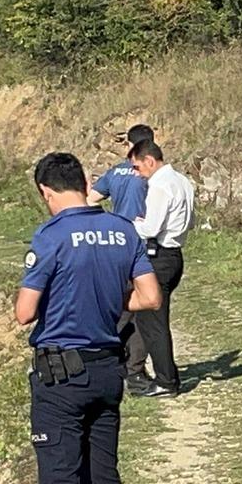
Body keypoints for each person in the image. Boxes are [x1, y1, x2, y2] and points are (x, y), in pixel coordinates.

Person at [15, 152, 162, 484]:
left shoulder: (51, 236)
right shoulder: (122, 231)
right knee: (103, 473)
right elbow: (150, 298)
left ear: (46, 192)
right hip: (106, 370)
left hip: (60, 377)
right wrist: (109, 303)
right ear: (84, 182)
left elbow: (25, 312)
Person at [87, 123, 156, 392]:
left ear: (129, 145)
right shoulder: (150, 173)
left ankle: (110, 361)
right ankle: (134, 370)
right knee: (139, 313)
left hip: (115, 246)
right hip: (143, 246)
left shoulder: (115, 172)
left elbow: (91, 199)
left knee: (118, 305)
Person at [128, 140, 196, 398]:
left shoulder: (159, 185)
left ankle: (167, 380)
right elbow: (191, 220)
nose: (137, 173)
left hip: (159, 255)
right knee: (155, 318)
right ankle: (166, 376)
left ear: (149, 161)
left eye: (137, 166)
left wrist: (134, 224)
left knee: (152, 321)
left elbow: (152, 228)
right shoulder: (182, 181)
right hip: (175, 253)